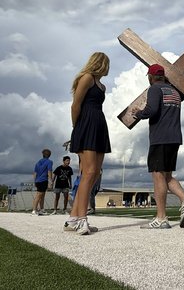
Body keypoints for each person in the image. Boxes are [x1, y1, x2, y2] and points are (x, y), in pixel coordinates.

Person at [132, 64, 184, 229]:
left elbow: (151, 111)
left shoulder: (154, 89)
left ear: (150, 77)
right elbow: (181, 95)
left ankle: (161, 218)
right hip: (175, 138)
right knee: (167, 176)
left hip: (160, 138)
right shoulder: (175, 92)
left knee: (157, 175)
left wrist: (138, 112)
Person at [64, 52, 111, 235]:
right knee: (88, 172)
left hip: (99, 125)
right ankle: (82, 219)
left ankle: (73, 218)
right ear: (100, 63)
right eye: (106, 64)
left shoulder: (102, 86)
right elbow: (75, 105)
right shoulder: (86, 78)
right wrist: (77, 128)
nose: (108, 68)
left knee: (93, 174)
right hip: (86, 125)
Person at [32, 148, 53, 215]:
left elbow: (35, 173)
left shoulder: (38, 162)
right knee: (39, 195)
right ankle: (34, 210)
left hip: (38, 180)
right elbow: (49, 171)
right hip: (43, 180)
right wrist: (50, 181)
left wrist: (35, 181)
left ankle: (41, 209)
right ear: (49, 155)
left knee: (42, 195)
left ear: (43, 155)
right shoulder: (49, 162)